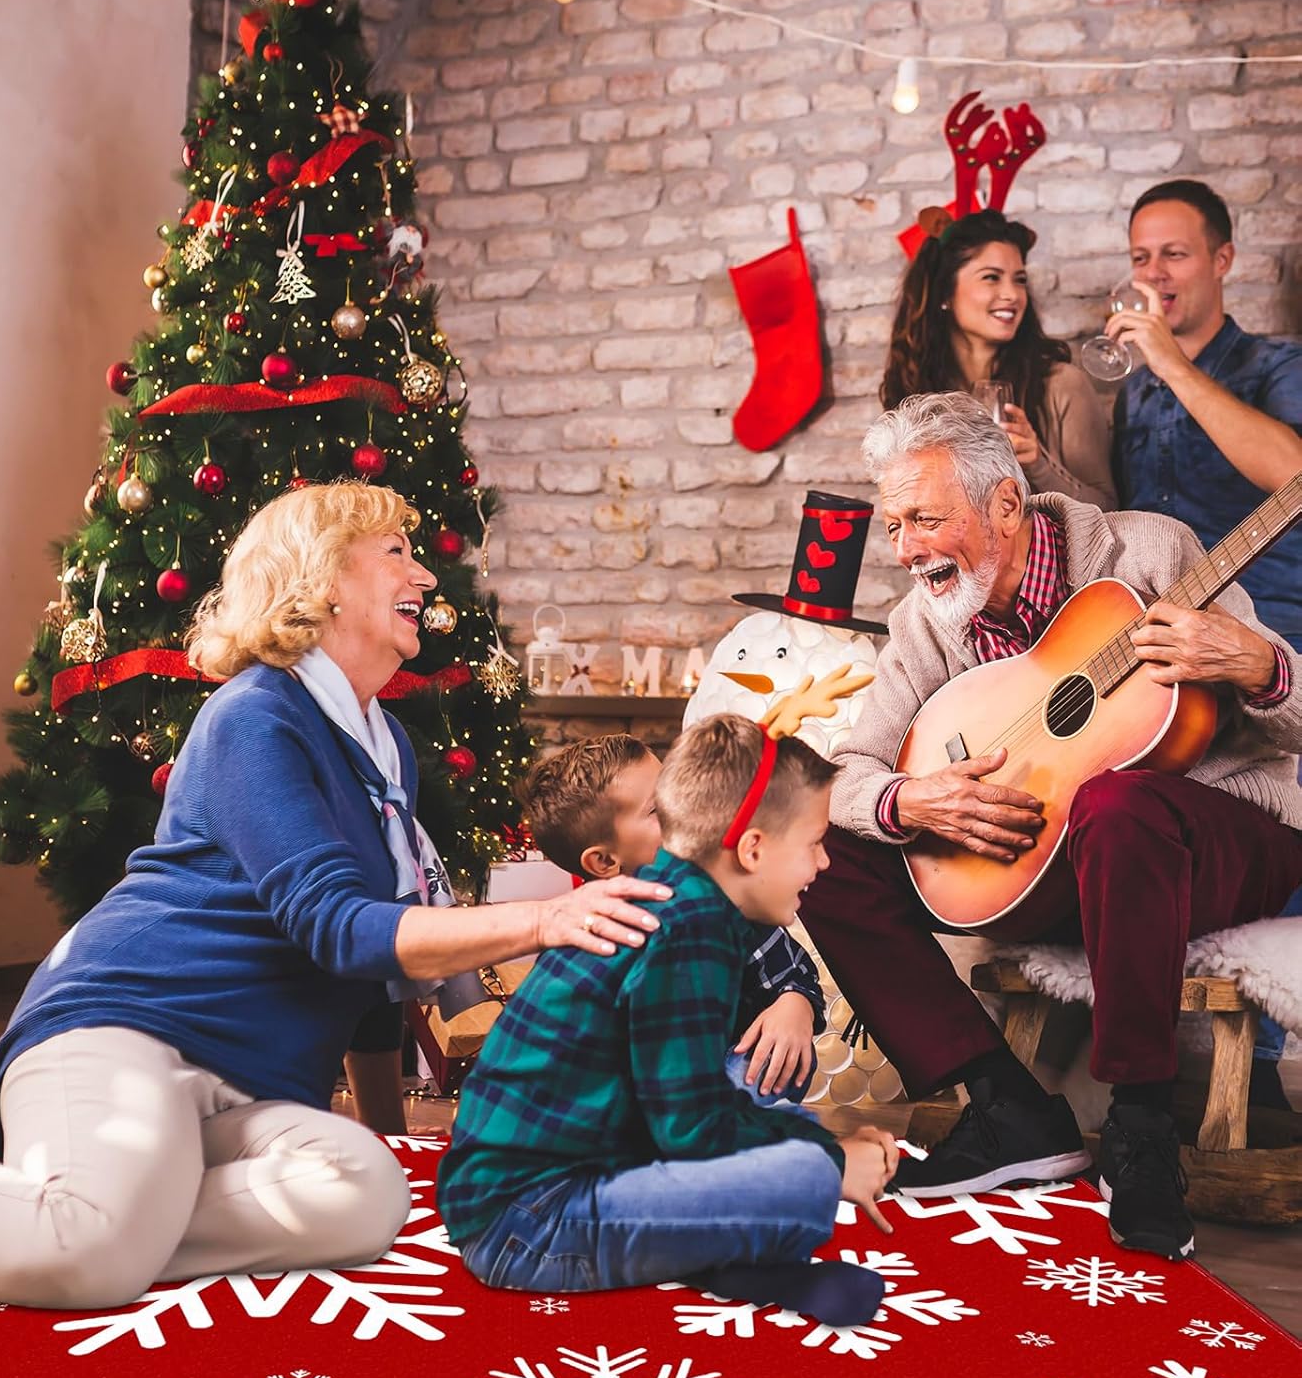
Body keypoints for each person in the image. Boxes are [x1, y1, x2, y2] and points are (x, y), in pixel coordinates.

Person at [0, 482, 671, 1309]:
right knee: (88, 1254)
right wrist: (545, 919)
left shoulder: (385, 747)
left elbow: (371, 980)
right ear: (323, 577)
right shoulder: (258, 715)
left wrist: (390, 1132)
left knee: (368, 1196)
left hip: (248, 1093)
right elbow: (337, 927)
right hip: (125, 1030)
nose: (425, 575)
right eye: (398, 552)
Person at [800, 393, 1302, 1261]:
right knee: (824, 853)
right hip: (1053, 866)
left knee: (1116, 799)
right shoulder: (926, 620)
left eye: (924, 518)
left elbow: (1291, 720)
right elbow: (848, 772)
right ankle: (1009, 1109)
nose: (906, 549)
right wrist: (909, 803)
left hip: (1211, 836)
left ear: (1004, 503)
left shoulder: (1148, 552)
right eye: (893, 527)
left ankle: (1142, 1131)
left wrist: (1259, 666)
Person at [439, 714, 900, 1325]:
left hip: (574, 1167)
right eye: (814, 843)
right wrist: (834, 1158)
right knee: (803, 1172)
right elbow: (692, 1131)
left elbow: (676, 1098)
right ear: (754, 847)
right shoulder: (690, 928)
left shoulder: (686, 900)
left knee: (776, 1121)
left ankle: (728, 1258)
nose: (823, 864)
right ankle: (735, 1254)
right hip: (526, 1224)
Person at [1111, 178, 1302, 1083]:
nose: (1156, 274)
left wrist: (1173, 365)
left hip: (1272, 644)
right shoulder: (1133, 397)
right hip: (1167, 644)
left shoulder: (1275, 366)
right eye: (1141, 256)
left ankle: (1262, 1062)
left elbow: (1294, 473)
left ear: (1223, 260)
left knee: (1265, 829)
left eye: (1174, 253)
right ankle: (1174, 1067)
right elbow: (1132, 527)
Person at [522, 733, 825, 1106]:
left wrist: (795, 1005)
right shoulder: (585, 934)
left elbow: (792, 970)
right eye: (658, 809)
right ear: (604, 863)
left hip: (729, 1071)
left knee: (765, 1066)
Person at [882, 208, 1117, 509]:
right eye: (991, 277)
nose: (1012, 294)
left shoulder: (1062, 384)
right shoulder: (916, 391)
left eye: (1019, 280)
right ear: (945, 293)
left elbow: (1109, 509)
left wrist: (1038, 464)